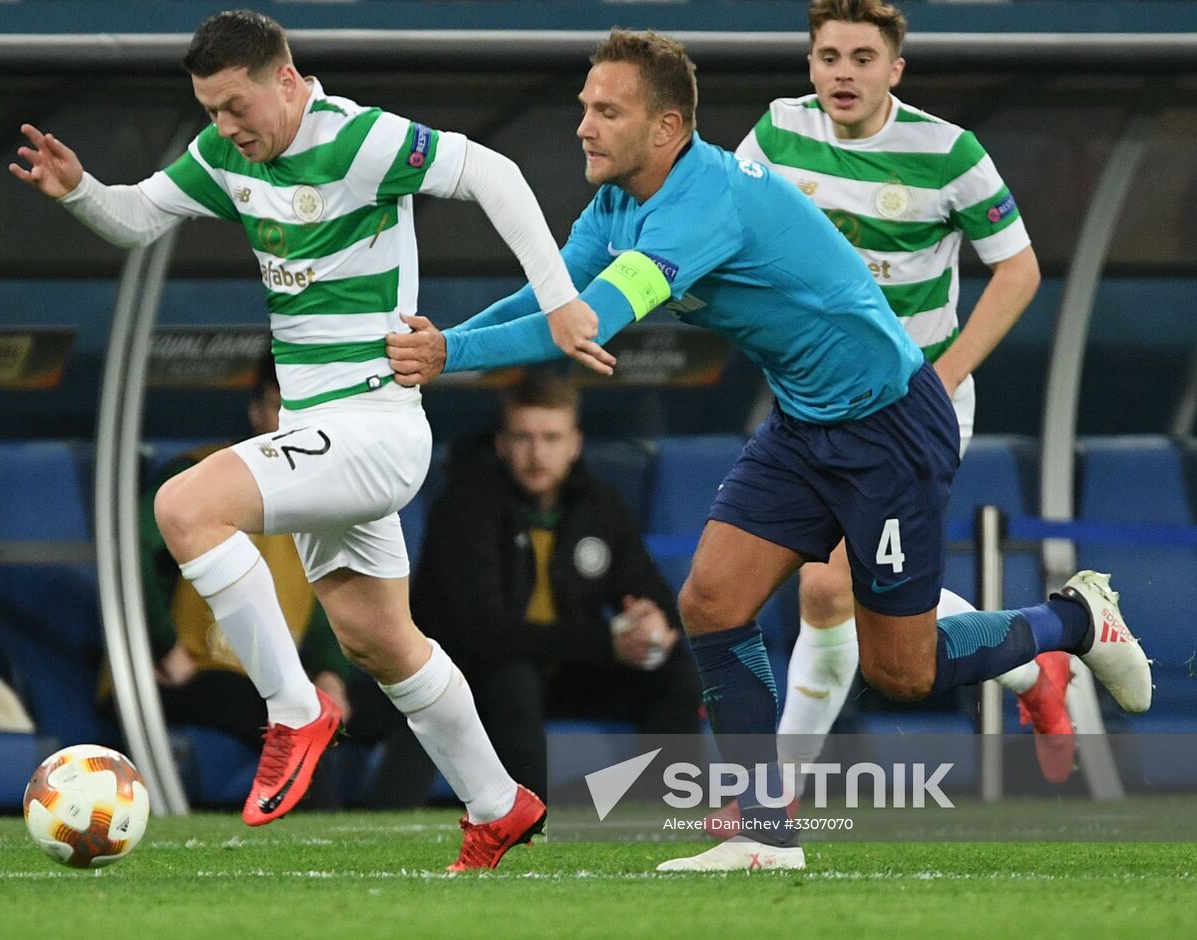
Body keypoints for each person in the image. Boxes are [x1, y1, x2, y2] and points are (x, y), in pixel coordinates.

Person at [385, 28, 1152, 871]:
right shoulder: (616, 203)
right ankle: (765, 834)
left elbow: (595, 320)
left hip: (889, 426)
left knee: (905, 670)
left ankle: (1074, 620)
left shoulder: (702, 201)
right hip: (804, 424)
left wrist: (448, 357)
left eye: (607, 111)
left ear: (667, 127)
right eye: (583, 108)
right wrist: (443, 342)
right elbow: (555, 296)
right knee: (712, 601)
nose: (584, 127)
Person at [10, 9, 601, 869]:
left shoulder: (360, 140)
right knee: (379, 641)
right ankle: (498, 803)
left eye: (235, 105)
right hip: (314, 434)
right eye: (210, 110)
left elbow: (496, 173)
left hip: (378, 428)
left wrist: (558, 299)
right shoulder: (225, 158)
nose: (224, 126)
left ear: (284, 79)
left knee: (183, 505)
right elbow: (138, 217)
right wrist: (80, 191)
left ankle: (292, 711)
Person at [730, 0, 1070, 786]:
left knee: (833, 586)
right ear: (810, 64)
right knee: (829, 595)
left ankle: (772, 796)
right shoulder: (779, 132)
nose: (842, 73)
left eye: (860, 57)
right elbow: (732, 226)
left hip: (916, 405)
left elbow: (1018, 271)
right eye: (827, 57)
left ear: (894, 69)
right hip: (820, 398)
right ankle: (1032, 666)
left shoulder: (949, 151)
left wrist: (941, 379)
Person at [409, 372, 702, 800]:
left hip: (568, 670)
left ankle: (666, 805)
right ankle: (535, 814)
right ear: (502, 444)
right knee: (514, 675)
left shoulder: (600, 504)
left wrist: (653, 624)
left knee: (673, 675)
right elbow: (484, 632)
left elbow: (649, 591)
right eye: (523, 437)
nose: (537, 454)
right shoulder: (465, 505)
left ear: (575, 443)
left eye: (551, 438)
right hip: (479, 680)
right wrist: (608, 642)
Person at [128, 354, 351, 805]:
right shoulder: (197, 474)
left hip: (279, 674)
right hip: (191, 672)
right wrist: (159, 643)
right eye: (278, 405)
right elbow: (129, 548)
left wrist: (331, 672)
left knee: (410, 707)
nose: (289, 420)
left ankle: (389, 825)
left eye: (303, 407)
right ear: (255, 411)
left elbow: (339, 583)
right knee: (298, 716)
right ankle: (311, 845)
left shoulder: (329, 490)